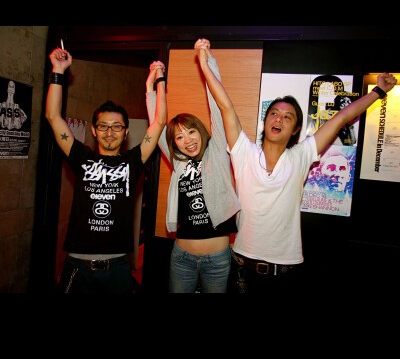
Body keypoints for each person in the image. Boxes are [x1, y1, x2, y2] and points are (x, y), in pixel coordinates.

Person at [195, 38, 397, 294]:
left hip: (285, 272)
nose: (279, 119)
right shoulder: (244, 152)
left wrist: (378, 91)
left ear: (295, 129)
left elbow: (342, 118)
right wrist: (205, 64)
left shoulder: (301, 155)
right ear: (266, 121)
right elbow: (225, 106)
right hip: (242, 270)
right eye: (274, 114)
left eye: (287, 117)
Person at [46, 46, 167, 293]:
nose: (109, 132)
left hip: (118, 268)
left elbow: (159, 122)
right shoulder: (81, 157)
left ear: (125, 132)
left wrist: (158, 81)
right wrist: (58, 71)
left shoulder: (133, 161)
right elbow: (53, 117)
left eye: (117, 127)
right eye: (103, 126)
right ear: (93, 130)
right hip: (78, 266)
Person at [146, 44, 240, 293]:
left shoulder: (217, 152)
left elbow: (218, 107)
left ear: (201, 131)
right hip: (182, 257)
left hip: (217, 259)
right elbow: (157, 124)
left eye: (191, 132)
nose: (187, 140)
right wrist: (151, 88)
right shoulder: (179, 163)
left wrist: (207, 62)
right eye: (179, 137)